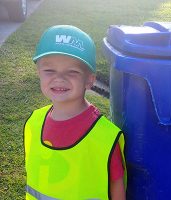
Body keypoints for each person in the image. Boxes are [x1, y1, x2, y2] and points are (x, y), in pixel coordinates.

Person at [24, 25, 126, 200]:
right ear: (39, 73)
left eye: (72, 72)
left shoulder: (104, 137)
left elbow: (117, 184)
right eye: (49, 70)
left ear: (89, 80)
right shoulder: (34, 123)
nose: (59, 78)